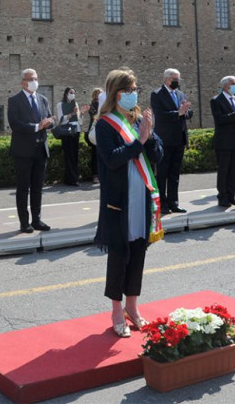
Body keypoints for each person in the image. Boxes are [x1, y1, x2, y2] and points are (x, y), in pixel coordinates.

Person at [92, 68, 163, 338]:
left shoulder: (138, 120)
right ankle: (115, 309)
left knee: (138, 252)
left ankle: (132, 306)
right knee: (119, 255)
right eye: (129, 90)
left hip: (141, 197)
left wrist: (149, 135)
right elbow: (112, 159)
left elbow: (158, 154)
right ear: (116, 92)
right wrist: (140, 141)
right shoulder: (105, 124)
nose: (134, 94)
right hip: (119, 201)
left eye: (135, 90)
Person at [8, 68, 55, 232]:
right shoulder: (14, 100)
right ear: (23, 82)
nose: (34, 82)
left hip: (41, 149)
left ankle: (37, 220)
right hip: (23, 151)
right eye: (30, 79)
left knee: (37, 187)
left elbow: (50, 119)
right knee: (23, 188)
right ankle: (24, 222)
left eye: (35, 78)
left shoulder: (43, 99)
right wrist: (36, 127)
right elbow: (14, 124)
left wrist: (49, 123)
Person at [150, 68, 192, 213]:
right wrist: (178, 113)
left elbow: (187, 113)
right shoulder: (157, 94)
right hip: (165, 139)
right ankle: (162, 203)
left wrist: (186, 112)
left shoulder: (180, 94)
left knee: (174, 173)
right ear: (167, 79)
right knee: (162, 173)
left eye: (178, 79)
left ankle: (173, 202)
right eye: (175, 79)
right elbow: (160, 115)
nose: (177, 82)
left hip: (179, 138)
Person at [211, 76, 235, 207]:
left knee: (234, 170)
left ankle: (232, 196)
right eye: (233, 84)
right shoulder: (216, 100)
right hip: (224, 141)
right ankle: (222, 197)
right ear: (225, 86)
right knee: (224, 170)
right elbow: (219, 119)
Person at [56, 86, 85, 186]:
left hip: (76, 131)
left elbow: (79, 120)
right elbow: (61, 119)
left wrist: (81, 114)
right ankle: (71, 179)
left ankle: (74, 177)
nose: (73, 94)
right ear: (66, 94)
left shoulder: (75, 103)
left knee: (75, 155)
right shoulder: (60, 104)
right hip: (67, 131)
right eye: (71, 92)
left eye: (73, 93)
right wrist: (72, 114)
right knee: (68, 155)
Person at [86, 88, 102, 184]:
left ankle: (100, 174)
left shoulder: (104, 104)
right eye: (99, 93)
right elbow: (94, 116)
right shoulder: (92, 105)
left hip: (102, 130)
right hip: (95, 131)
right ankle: (95, 175)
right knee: (95, 154)